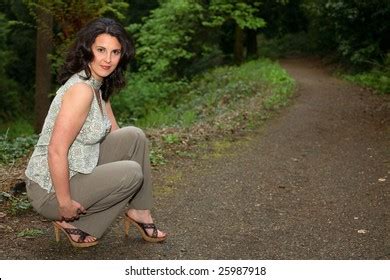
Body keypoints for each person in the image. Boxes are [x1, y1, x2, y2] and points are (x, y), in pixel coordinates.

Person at [25, 17, 167, 248]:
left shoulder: (98, 86)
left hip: (79, 167)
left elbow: (118, 135)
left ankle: (140, 212)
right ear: (87, 49)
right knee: (131, 173)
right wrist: (64, 201)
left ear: (122, 56)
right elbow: (56, 150)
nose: (107, 59)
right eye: (101, 50)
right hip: (49, 188)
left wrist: (119, 176)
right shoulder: (81, 90)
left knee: (135, 136)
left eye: (115, 52)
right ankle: (74, 221)